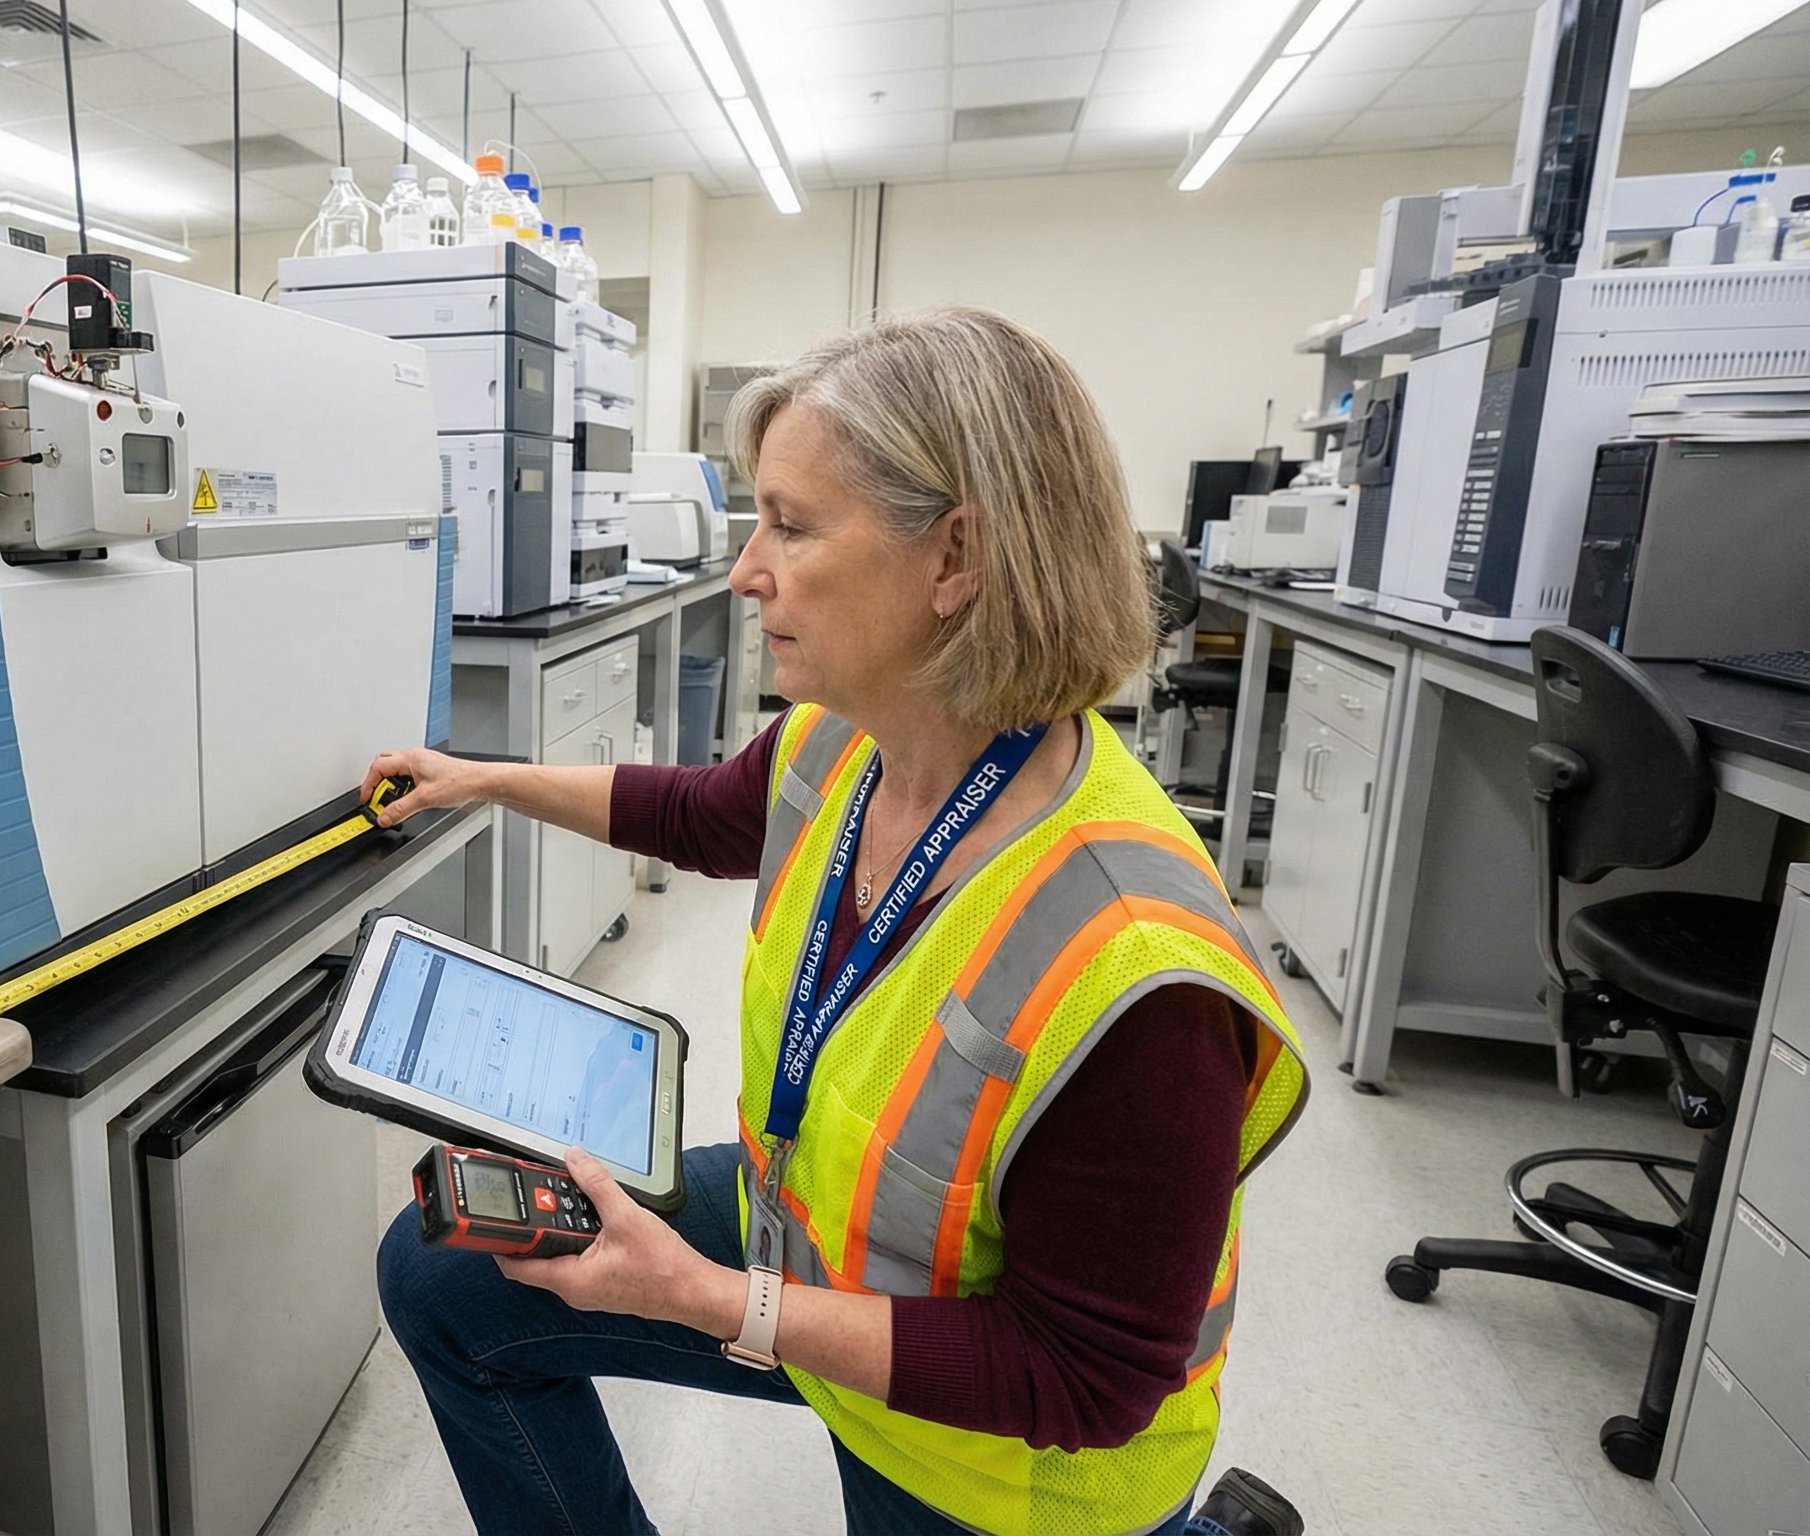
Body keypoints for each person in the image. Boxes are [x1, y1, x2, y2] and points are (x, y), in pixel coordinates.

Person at [365, 309, 1311, 1536]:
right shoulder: (849, 736)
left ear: (956, 557)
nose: (744, 568)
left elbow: (1084, 1377)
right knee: (444, 1277)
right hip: (821, 1250)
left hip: (998, 1459)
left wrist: (711, 1300)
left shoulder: (1136, 969)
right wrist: (482, 777)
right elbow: (703, 812)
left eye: (792, 526)